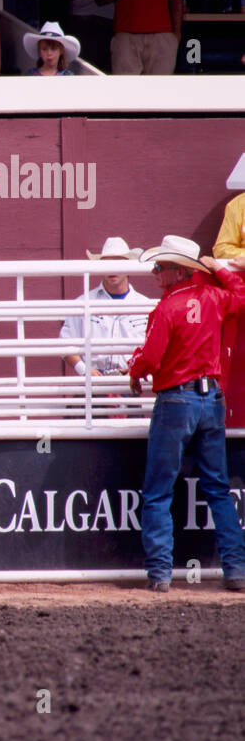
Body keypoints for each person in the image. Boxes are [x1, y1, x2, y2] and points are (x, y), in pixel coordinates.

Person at [127, 235, 245, 592]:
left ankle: (161, 574)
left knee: (158, 490)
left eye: (160, 267)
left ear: (178, 273)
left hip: (176, 401)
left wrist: (134, 369)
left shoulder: (166, 309)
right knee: (218, 488)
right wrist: (221, 269)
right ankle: (236, 570)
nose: (154, 272)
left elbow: (150, 358)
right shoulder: (213, 298)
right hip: (211, 400)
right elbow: (241, 295)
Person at [59, 236, 149, 377]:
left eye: (118, 263)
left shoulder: (145, 305)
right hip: (93, 382)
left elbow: (153, 347)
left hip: (129, 380)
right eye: (107, 264)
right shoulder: (83, 302)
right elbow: (66, 343)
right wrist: (84, 370)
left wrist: (138, 369)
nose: (112, 269)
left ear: (128, 266)